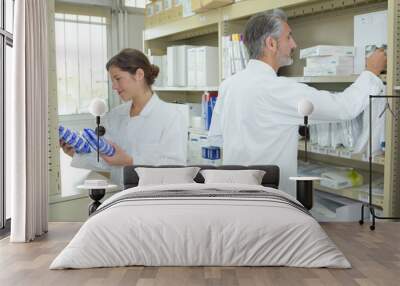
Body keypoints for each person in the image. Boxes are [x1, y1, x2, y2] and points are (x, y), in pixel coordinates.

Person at [208, 9, 386, 196]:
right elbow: (344, 108)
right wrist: (371, 71)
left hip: (234, 195)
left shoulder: (228, 85)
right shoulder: (279, 89)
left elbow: (217, 137)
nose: (294, 44)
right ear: (271, 43)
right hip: (270, 201)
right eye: (289, 37)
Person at [60, 48, 187, 186]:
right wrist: (76, 154)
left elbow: (175, 168)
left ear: (139, 74)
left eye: (118, 79)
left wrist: (130, 161)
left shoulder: (170, 116)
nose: (114, 87)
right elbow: (106, 161)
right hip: (119, 196)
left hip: (152, 199)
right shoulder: (115, 115)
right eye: (112, 81)